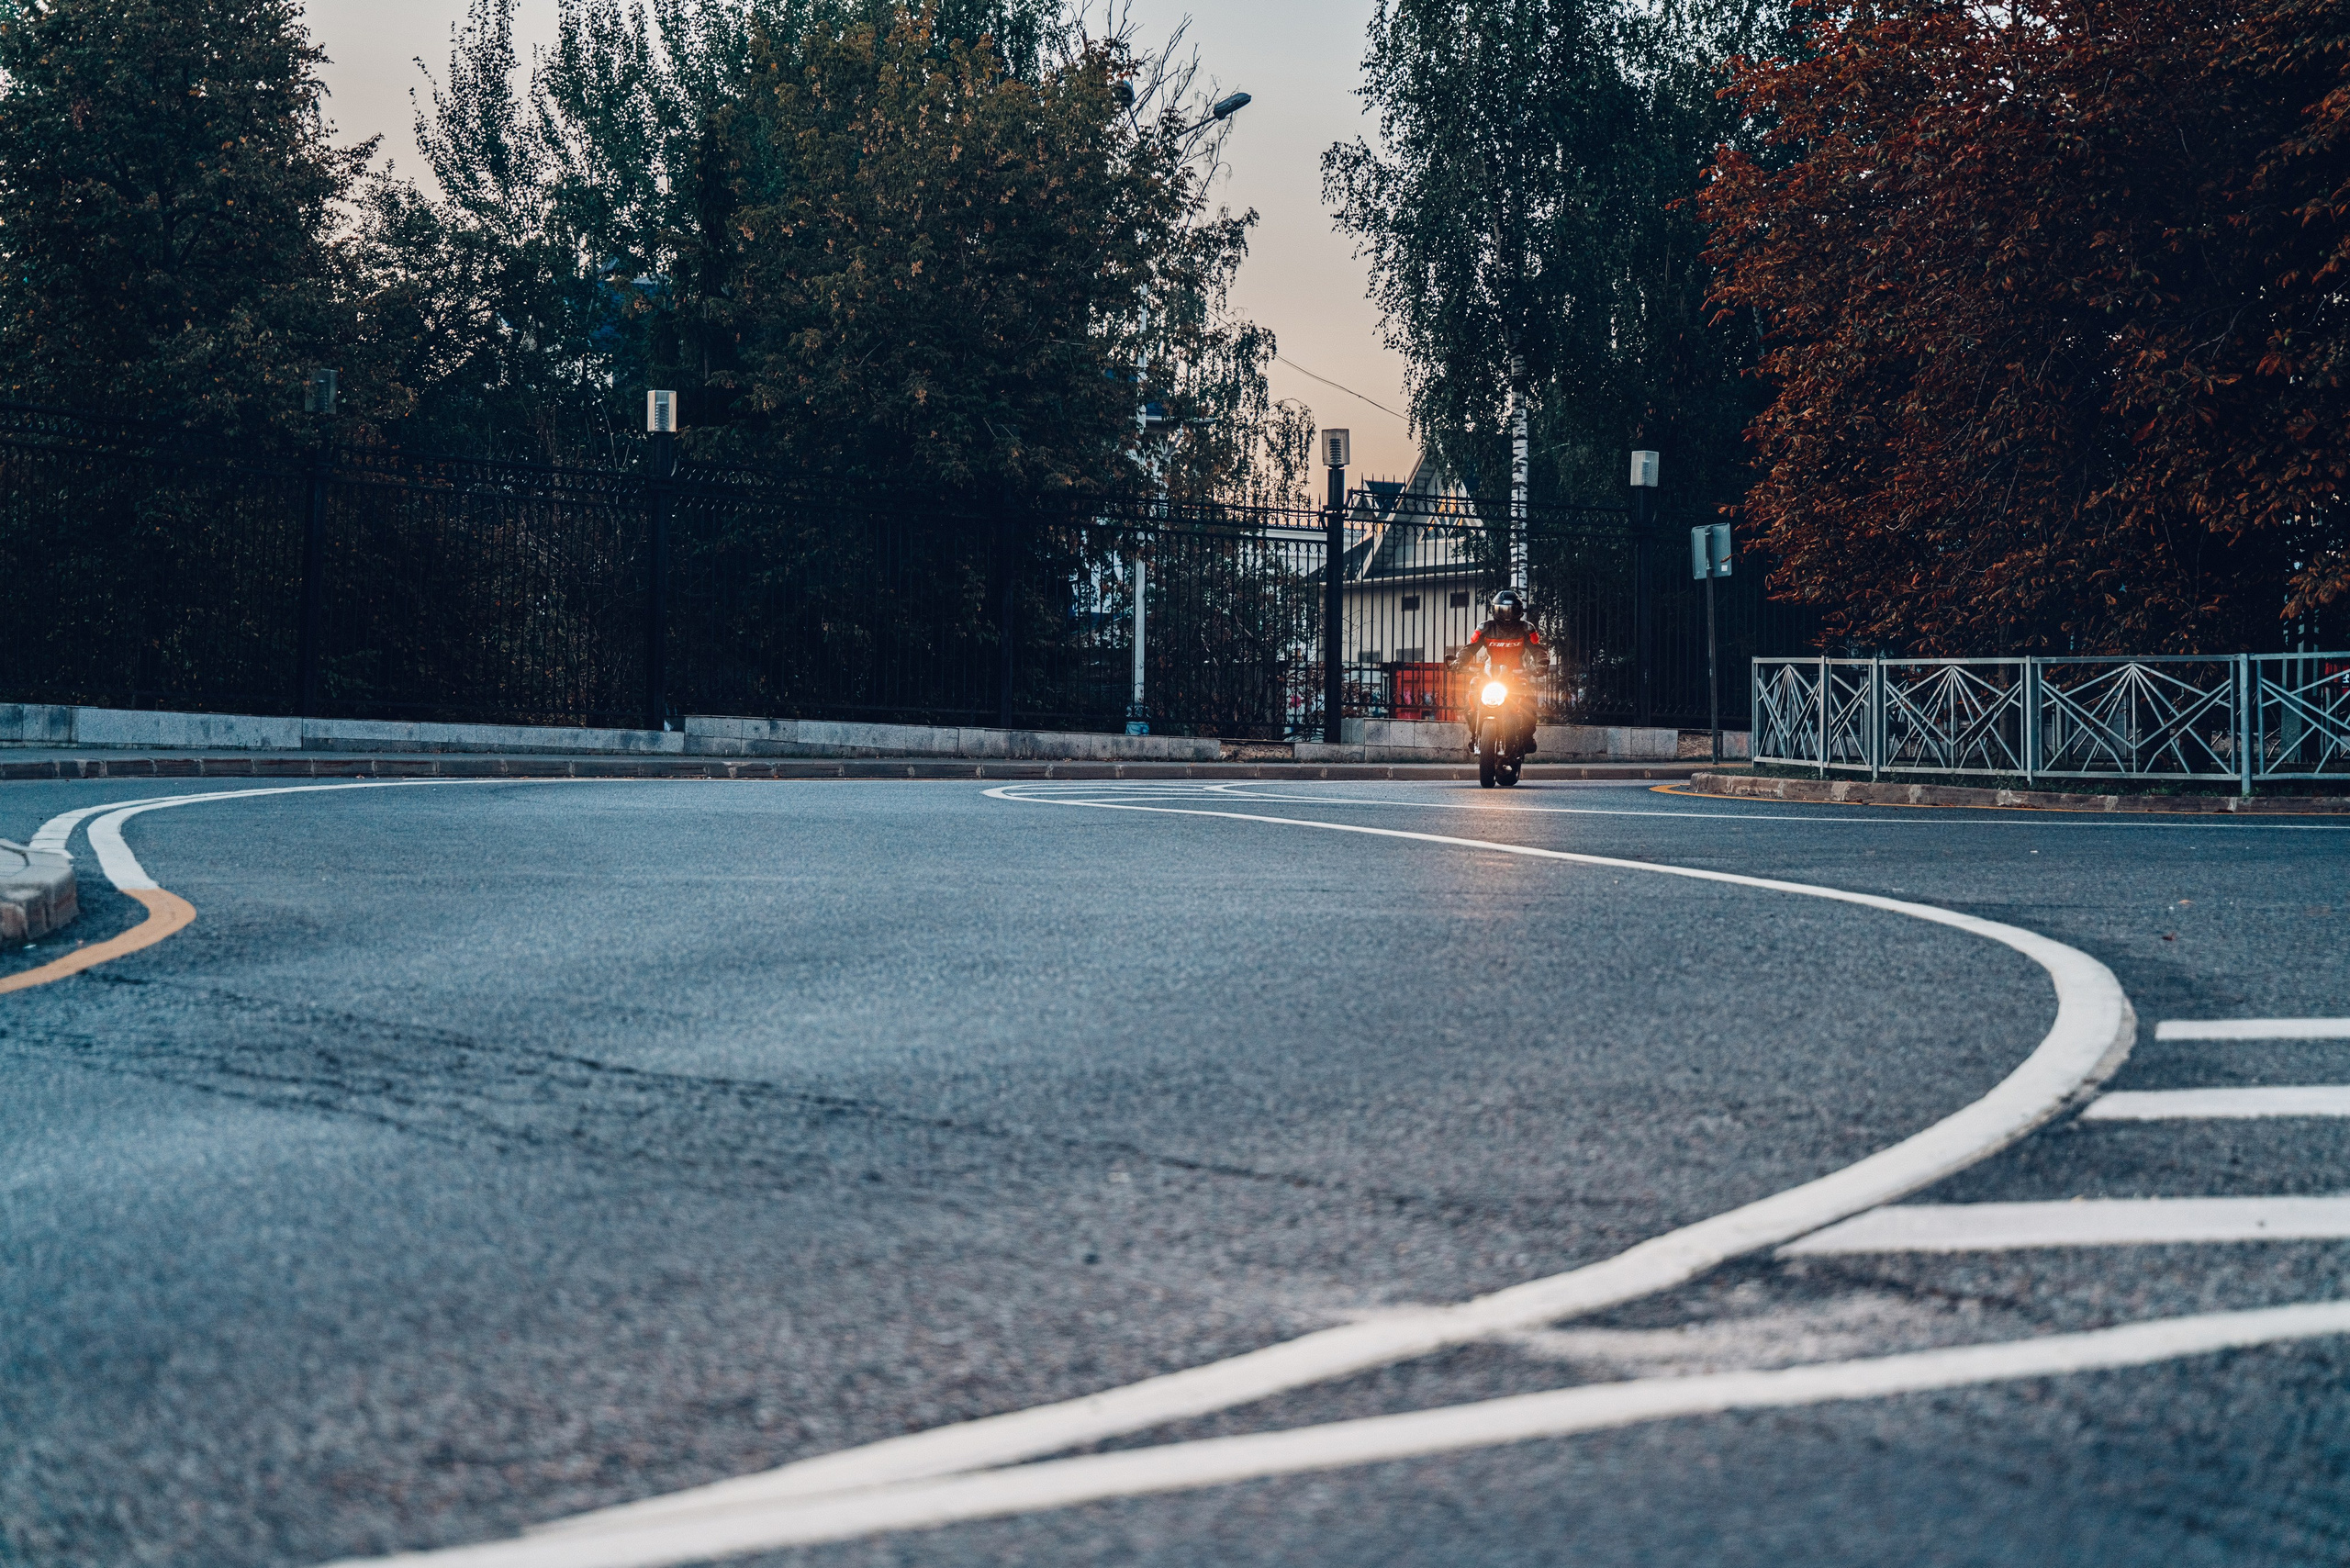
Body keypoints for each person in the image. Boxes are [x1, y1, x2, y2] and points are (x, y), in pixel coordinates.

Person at [1455, 589, 1544, 756]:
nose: (1507, 615)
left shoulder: (1527, 629)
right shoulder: (1485, 628)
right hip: (1490, 674)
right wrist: (1459, 662)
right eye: (1503, 610)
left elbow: (1538, 649)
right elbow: (1470, 648)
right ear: (1494, 610)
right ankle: (1475, 734)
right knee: (1473, 692)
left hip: (1516, 675)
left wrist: (1541, 664)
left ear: (1519, 611)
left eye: (1512, 610)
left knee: (1529, 703)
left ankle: (1527, 737)